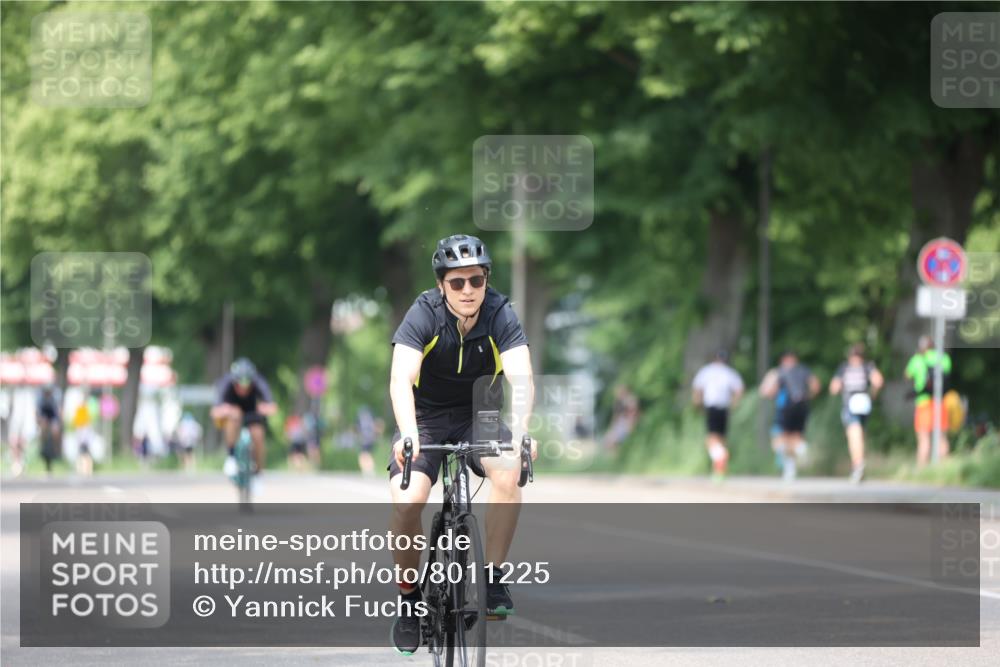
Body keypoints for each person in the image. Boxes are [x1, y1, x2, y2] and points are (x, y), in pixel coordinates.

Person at [387, 234, 536, 655]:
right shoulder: (423, 314)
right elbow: (400, 379)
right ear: (441, 285)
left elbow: (521, 377)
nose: (468, 290)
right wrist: (409, 432)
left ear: (486, 280)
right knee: (407, 499)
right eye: (457, 283)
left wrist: (522, 430)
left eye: (476, 280)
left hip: (481, 412)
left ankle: (492, 578)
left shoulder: (501, 313)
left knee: (509, 471)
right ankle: (409, 598)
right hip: (425, 418)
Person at [211, 358, 277, 478]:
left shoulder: (258, 381)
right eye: (240, 383)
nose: (243, 388)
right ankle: (231, 456)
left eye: (247, 384)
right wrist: (226, 410)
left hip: (252, 412)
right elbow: (215, 411)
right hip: (233, 414)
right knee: (233, 417)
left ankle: (258, 469)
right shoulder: (226, 383)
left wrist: (264, 408)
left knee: (258, 434)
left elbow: (272, 406)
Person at [760, 350, 820, 482]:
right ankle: (791, 467)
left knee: (780, 439)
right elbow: (815, 386)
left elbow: (768, 390)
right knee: (796, 436)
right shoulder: (804, 370)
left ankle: (800, 452)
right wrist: (808, 396)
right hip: (803, 405)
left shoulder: (779, 371)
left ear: (783, 360)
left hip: (786, 407)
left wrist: (771, 395)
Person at [829, 344, 884, 483]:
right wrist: (872, 395)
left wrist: (840, 388)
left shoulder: (844, 368)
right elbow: (878, 381)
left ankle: (858, 466)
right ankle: (859, 464)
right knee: (861, 435)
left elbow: (833, 388)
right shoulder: (868, 366)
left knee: (854, 435)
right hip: (864, 403)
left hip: (850, 404)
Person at [691, 349, 744, 478]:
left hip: (712, 407)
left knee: (711, 439)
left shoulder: (707, 371)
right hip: (724, 408)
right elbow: (739, 389)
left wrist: (697, 403)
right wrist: (734, 403)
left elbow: (698, 388)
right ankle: (719, 471)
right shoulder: (730, 372)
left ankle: (720, 456)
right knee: (721, 437)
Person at [904, 335, 952, 466]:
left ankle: (922, 469)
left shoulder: (917, 359)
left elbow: (907, 375)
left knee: (923, 438)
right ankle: (944, 468)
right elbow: (947, 373)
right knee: (942, 436)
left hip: (923, 402)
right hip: (940, 402)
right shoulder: (943, 357)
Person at [603, 384, 639, 451]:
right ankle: (615, 456)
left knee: (612, 441)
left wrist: (630, 425)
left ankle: (616, 455)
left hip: (626, 424)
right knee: (607, 440)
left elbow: (633, 414)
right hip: (621, 424)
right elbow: (615, 417)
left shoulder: (630, 400)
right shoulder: (618, 403)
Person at [36, 385, 62, 474]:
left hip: (52, 417)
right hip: (44, 417)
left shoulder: (54, 399)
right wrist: (40, 421)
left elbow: (57, 413)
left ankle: (56, 447)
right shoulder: (40, 399)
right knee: (41, 429)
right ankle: (41, 444)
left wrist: (56, 423)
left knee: (56, 430)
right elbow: (38, 412)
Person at [356, 405, 377, 476]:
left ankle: (365, 470)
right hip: (371, 438)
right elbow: (376, 426)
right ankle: (370, 469)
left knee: (363, 454)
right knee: (369, 454)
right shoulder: (371, 416)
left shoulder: (360, 418)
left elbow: (357, 429)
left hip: (363, 439)